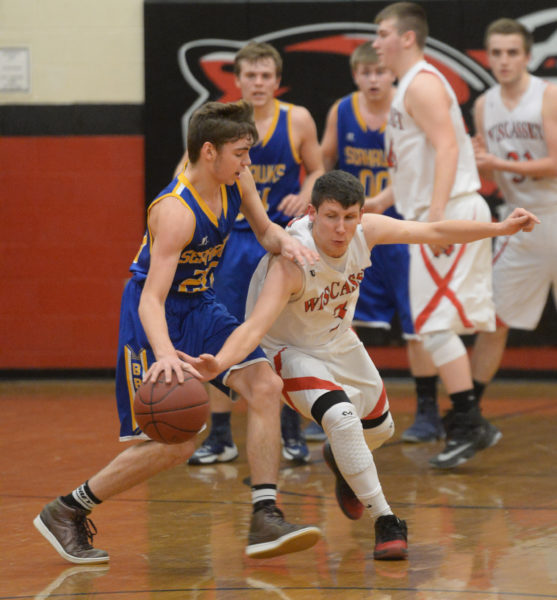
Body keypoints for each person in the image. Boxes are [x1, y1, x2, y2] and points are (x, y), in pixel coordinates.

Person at [185, 170, 538, 560]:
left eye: (349, 217)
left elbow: (434, 231)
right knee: (342, 419)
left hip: (338, 341)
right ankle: (386, 520)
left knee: (381, 429)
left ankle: (343, 461)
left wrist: (500, 228)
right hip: (288, 351)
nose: (341, 228)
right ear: (312, 213)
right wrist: (218, 363)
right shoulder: (291, 263)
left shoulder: (366, 231)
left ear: (360, 214)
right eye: (331, 216)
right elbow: (253, 327)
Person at [33, 100, 322, 565]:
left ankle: (265, 512)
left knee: (265, 384)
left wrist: (286, 242)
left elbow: (265, 230)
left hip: (201, 305)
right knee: (178, 441)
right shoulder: (174, 211)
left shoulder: (238, 181)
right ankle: (67, 509)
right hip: (154, 317)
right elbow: (151, 297)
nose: (249, 162)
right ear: (209, 152)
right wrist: (165, 353)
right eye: (241, 153)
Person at [175, 42, 324, 464]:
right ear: (236, 81)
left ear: (277, 81)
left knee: (282, 332)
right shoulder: (219, 123)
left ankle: (291, 429)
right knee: (221, 330)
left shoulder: (297, 119)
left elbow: (317, 168)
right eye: (251, 76)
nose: (258, 83)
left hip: (279, 235)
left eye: (266, 76)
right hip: (228, 241)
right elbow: (184, 173)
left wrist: (303, 192)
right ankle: (220, 435)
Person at [372, 2, 506, 468]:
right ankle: (470, 421)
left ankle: (470, 423)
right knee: (433, 326)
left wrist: (432, 223)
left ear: (407, 38)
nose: (375, 41)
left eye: (383, 32)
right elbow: (417, 164)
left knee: (432, 325)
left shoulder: (424, 83)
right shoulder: (408, 86)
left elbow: (449, 149)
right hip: (436, 212)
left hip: (447, 213)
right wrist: (381, 203)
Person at [320, 41, 442, 443]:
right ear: (356, 75)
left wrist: (379, 201)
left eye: (379, 71)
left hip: (399, 226)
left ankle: (428, 412)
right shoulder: (341, 110)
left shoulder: (407, 108)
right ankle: (331, 406)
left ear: (390, 72)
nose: (373, 78)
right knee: (338, 321)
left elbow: (419, 164)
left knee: (416, 323)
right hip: (354, 232)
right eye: (365, 72)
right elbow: (323, 161)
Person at [469, 18, 557, 397]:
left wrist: (498, 163)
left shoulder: (548, 95)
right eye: (497, 53)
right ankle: (467, 414)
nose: (504, 60)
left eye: (512, 53)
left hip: (554, 209)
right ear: (489, 57)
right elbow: (484, 166)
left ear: (527, 56)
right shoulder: (483, 105)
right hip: (521, 220)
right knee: (493, 319)